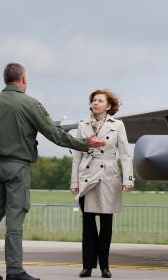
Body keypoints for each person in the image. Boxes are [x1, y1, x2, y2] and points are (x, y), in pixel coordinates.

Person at [0, 62, 106, 280]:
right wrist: (84, 143)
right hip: (17, 167)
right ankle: (14, 270)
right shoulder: (31, 104)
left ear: (6, 79)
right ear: (23, 80)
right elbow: (54, 133)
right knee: (15, 219)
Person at [70, 89, 134, 278]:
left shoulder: (118, 125)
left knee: (106, 222)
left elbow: (125, 154)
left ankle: (105, 266)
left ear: (108, 106)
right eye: (93, 100)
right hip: (87, 175)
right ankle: (88, 266)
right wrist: (74, 181)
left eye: (100, 100)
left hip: (109, 176)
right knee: (88, 223)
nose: (95, 103)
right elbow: (76, 155)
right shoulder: (83, 125)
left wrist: (127, 179)